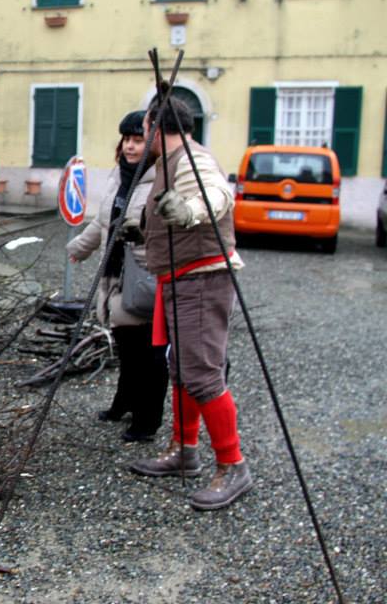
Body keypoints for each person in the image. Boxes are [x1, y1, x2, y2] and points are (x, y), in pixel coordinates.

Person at [128, 91, 252, 510]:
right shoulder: (168, 163)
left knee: (201, 373)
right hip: (179, 280)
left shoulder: (191, 160)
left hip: (201, 278)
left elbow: (217, 194)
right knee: (182, 369)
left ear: (153, 127)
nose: (140, 138)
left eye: (143, 129)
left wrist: (190, 211)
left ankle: (233, 465)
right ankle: (185, 450)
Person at [67, 111, 169, 442]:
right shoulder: (120, 176)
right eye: (126, 139)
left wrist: (139, 237)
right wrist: (80, 247)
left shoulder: (162, 179)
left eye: (138, 140)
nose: (130, 146)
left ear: (152, 143)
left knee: (148, 354)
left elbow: (165, 229)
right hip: (116, 272)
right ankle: (123, 403)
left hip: (144, 275)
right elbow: (102, 222)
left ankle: (147, 420)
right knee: (126, 346)